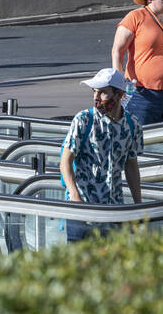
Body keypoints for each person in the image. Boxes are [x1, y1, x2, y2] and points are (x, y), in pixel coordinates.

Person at [59, 68, 143, 240]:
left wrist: (138, 205)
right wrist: (75, 196)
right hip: (82, 210)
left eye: (103, 93)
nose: (96, 98)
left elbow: (131, 166)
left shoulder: (132, 125)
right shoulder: (83, 120)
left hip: (114, 211)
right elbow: (65, 161)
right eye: (94, 92)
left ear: (119, 95)